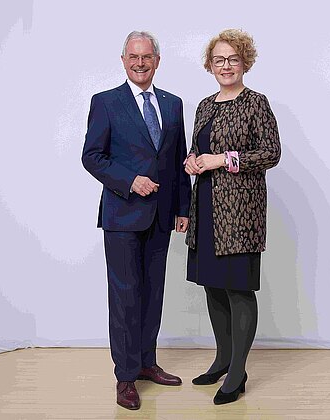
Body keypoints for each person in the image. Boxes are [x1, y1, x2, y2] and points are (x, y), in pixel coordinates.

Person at [82, 30, 191, 411]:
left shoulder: (173, 104)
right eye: (133, 57)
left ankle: (146, 363)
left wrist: (183, 208)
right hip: (122, 216)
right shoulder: (106, 102)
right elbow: (92, 156)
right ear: (123, 60)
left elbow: (177, 159)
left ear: (157, 61)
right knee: (125, 298)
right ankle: (126, 376)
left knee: (152, 294)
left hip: (161, 217)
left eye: (146, 57)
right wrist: (130, 181)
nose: (140, 63)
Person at [184, 29, 281, 405]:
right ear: (210, 65)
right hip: (206, 208)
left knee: (238, 289)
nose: (226, 66)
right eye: (219, 60)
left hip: (240, 214)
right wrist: (193, 161)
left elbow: (271, 153)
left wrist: (223, 160)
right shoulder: (204, 106)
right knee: (213, 285)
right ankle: (222, 359)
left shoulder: (256, 103)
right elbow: (198, 149)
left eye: (233, 59)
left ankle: (238, 371)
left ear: (245, 63)